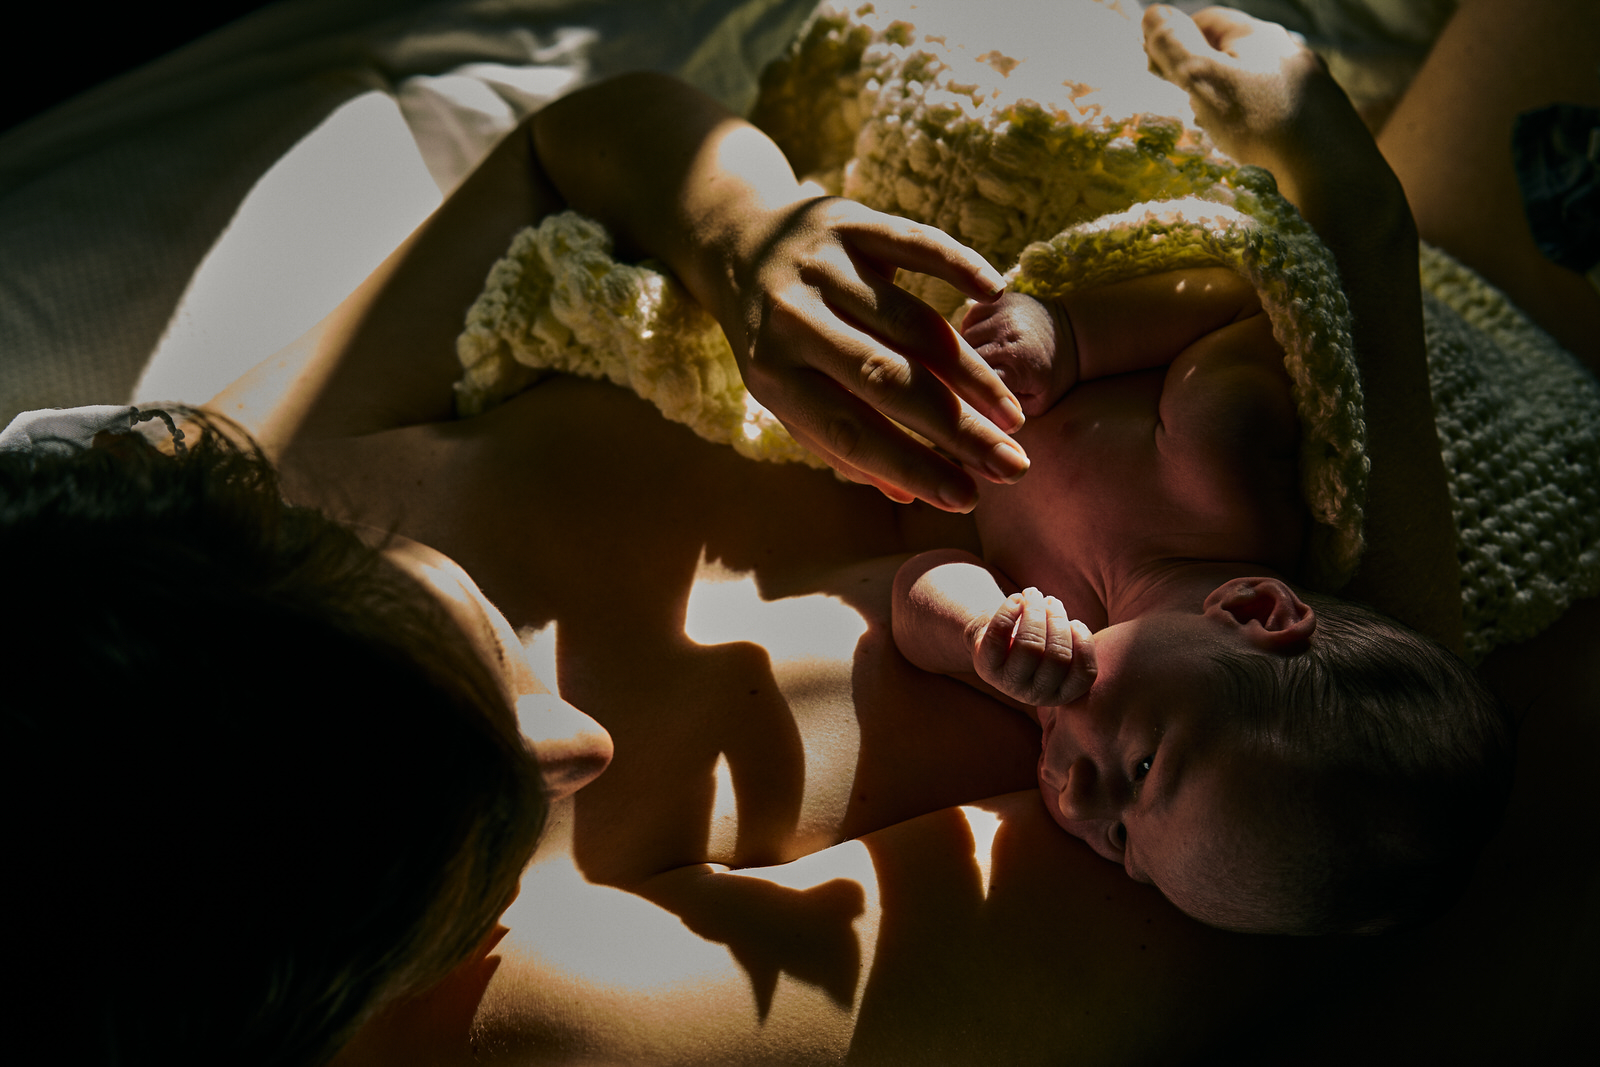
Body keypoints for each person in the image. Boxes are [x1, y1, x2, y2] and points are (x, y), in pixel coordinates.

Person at [4, 3, 1592, 1065]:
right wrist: (1361, 241)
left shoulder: (208, 510)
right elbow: (1346, 860)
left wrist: (739, 240)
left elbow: (579, 145)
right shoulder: (560, 1013)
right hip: (1521, 534)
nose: (578, 747)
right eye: (490, 847)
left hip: (1245, 313)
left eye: (439, 626)